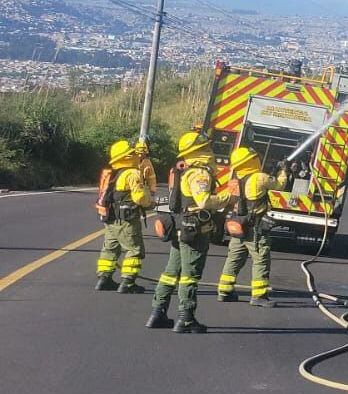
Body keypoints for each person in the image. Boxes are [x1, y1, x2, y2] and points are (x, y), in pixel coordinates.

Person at [147, 131, 231, 334]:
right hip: (194, 231)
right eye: (207, 147)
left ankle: (157, 313)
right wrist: (230, 198)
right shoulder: (199, 174)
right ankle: (186, 318)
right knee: (190, 275)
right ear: (200, 151)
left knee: (170, 272)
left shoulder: (184, 170)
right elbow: (203, 201)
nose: (210, 151)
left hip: (180, 228)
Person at [216, 146, 286, 307]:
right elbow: (280, 185)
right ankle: (259, 296)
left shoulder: (235, 179)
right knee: (261, 259)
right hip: (255, 229)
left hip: (238, 225)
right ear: (251, 161)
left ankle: (224, 291)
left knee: (234, 258)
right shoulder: (260, 178)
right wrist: (283, 171)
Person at [93, 139, 154, 293]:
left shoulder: (112, 173)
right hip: (126, 220)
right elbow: (139, 197)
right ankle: (128, 282)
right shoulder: (132, 173)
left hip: (110, 219)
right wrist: (150, 204)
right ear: (126, 157)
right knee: (134, 249)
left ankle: (103, 279)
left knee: (110, 248)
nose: (136, 155)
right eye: (133, 153)